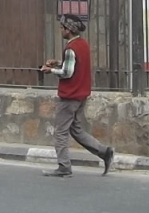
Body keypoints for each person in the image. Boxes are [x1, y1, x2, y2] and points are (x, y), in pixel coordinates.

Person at [39, 13, 115, 177]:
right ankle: (104, 152)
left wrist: (50, 70)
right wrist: (57, 63)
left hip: (70, 96)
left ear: (69, 30)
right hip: (81, 95)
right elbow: (74, 64)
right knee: (76, 130)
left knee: (60, 132)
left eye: (62, 27)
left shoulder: (70, 48)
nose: (60, 30)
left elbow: (67, 72)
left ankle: (64, 167)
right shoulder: (83, 44)